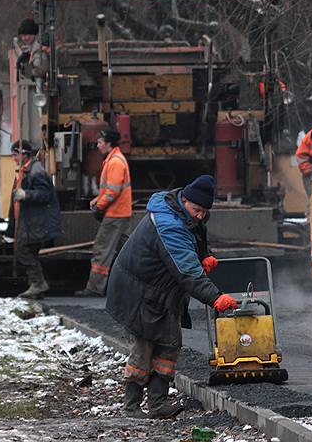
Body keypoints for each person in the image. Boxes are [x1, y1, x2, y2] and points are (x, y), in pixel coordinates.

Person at [105, 175, 239, 419]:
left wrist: (204, 255)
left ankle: (157, 404)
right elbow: (187, 273)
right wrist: (215, 297)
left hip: (160, 292)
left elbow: (196, 238)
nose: (200, 215)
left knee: (169, 344)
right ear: (184, 200)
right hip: (140, 292)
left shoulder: (185, 214)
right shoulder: (169, 225)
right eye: (197, 209)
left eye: (204, 211)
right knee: (144, 349)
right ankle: (131, 406)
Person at [77, 128, 132, 297]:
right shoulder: (113, 159)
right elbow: (109, 190)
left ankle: (95, 287)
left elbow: (112, 192)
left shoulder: (115, 162)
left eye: (100, 142)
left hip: (115, 214)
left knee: (101, 250)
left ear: (108, 143)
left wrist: (99, 206)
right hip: (120, 213)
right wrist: (97, 199)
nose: (98, 145)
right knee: (129, 251)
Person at [7, 140, 63, 300]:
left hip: (36, 222)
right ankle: (36, 286)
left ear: (24, 154)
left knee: (23, 251)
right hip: (30, 221)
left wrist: (26, 195)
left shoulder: (36, 171)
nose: (13, 158)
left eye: (14, 154)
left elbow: (45, 195)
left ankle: (38, 283)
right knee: (28, 251)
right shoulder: (25, 171)